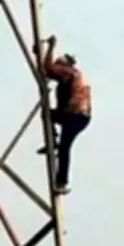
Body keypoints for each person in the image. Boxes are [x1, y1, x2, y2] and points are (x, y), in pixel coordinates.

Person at [36, 35, 92, 195]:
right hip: (77, 115)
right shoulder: (74, 76)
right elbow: (48, 71)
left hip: (75, 115)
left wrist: (51, 47)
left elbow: (47, 69)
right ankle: (53, 140)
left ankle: (62, 181)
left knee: (65, 147)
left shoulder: (69, 73)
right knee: (48, 115)